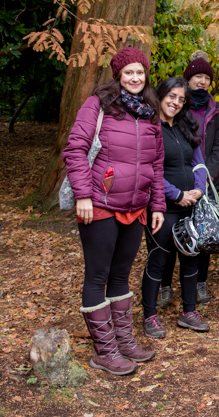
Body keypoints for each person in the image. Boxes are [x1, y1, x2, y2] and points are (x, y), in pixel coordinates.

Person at [63, 47, 165, 376]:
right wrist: (82, 195)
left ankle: (124, 342)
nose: (135, 78)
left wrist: (157, 205)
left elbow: (157, 164)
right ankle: (104, 352)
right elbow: (75, 148)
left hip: (136, 207)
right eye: (128, 73)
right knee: (98, 276)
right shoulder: (99, 105)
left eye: (140, 72)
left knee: (121, 275)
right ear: (118, 75)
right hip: (100, 205)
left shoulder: (150, 112)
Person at [141, 76, 210, 340]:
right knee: (158, 260)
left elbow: (199, 162)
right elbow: (149, 170)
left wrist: (199, 189)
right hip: (162, 207)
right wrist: (176, 194)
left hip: (190, 205)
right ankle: (149, 315)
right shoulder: (150, 127)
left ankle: (189, 312)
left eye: (181, 99)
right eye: (172, 97)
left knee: (191, 257)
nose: (176, 103)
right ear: (160, 96)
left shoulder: (184, 127)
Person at [157, 51, 219, 309]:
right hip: (173, 181)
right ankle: (165, 285)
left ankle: (199, 282)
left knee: (203, 232)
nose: (202, 81)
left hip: (204, 180)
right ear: (188, 79)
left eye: (206, 77)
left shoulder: (216, 109)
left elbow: (218, 147)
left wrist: (206, 179)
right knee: (167, 237)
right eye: (197, 76)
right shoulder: (179, 109)